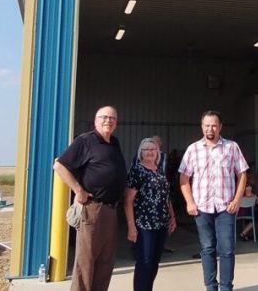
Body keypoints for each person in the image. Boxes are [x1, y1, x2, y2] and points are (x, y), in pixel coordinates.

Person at [53, 106, 127, 291]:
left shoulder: (114, 143)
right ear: (95, 121)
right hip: (92, 209)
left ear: (116, 123)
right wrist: (78, 190)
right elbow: (60, 165)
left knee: (105, 262)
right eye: (104, 117)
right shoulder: (85, 141)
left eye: (112, 118)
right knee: (86, 263)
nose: (108, 121)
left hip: (111, 209)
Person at [179, 110, 248, 291]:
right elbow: (184, 179)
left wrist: (237, 199)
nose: (210, 128)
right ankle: (211, 287)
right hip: (202, 208)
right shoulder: (193, 149)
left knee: (226, 250)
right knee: (207, 248)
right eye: (207, 125)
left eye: (214, 125)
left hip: (226, 207)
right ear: (202, 127)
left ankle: (226, 287)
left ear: (220, 127)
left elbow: (242, 174)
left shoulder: (231, 147)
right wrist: (190, 202)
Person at [125, 138, 177, 291]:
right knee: (145, 261)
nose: (149, 152)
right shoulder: (137, 170)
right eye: (146, 149)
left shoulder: (159, 169)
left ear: (158, 153)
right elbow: (128, 200)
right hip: (144, 224)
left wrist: (172, 217)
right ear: (140, 152)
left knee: (155, 261)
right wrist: (131, 226)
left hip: (161, 223)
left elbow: (166, 196)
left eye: (152, 149)